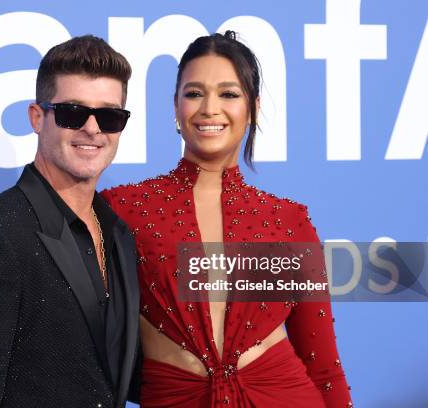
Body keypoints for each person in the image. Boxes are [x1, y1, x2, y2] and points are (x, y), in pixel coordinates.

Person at [101, 31, 352, 407]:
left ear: (252, 107)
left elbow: (324, 368)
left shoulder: (288, 221)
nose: (209, 108)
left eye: (229, 94)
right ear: (175, 106)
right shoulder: (123, 209)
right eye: (194, 93)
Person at [0, 35, 139, 408]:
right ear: (37, 117)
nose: (92, 129)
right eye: (73, 112)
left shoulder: (117, 233)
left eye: (109, 116)